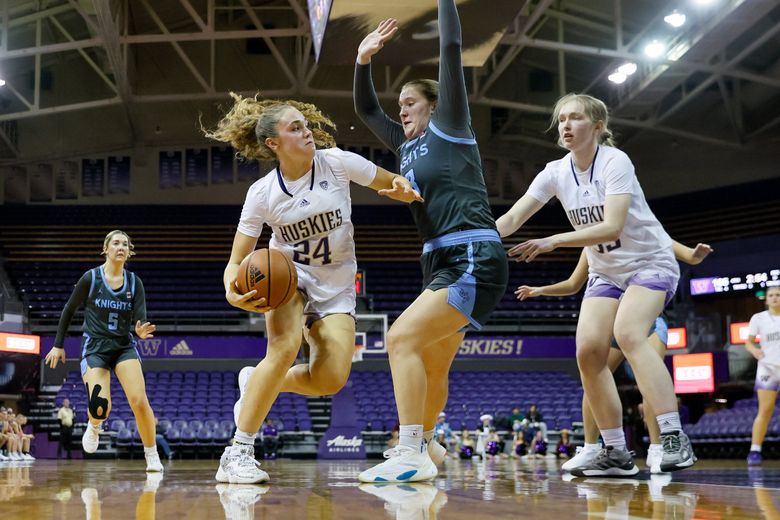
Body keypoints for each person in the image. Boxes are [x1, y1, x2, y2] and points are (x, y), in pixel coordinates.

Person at [203, 94, 422, 485]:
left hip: (337, 286)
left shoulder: (337, 162)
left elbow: (390, 181)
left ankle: (256, 381)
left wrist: (403, 187)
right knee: (284, 349)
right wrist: (231, 291)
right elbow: (236, 262)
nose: (306, 132)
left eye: (304, 125)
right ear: (273, 144)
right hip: (290, 278)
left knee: (330, 379)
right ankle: (238, 451)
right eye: (295, 128)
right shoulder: (263, 194)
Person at [497, 93, 696, 477]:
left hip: (648, 262)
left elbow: (612, 226)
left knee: (629, 332)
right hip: (606, 271)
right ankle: (616, 452)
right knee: (588, 352)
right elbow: (512, 217)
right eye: (561, 120)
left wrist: (552, 241)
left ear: (598, 126)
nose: (566, 126)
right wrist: (474, 241)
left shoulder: (615, 161)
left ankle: (673, 438)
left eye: (575, 118)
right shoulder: (555, 171)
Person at [354, 1, 508, 483]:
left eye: (410, 102)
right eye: (399, 104)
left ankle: (410, 449)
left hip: (471, 253)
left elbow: (452, 47)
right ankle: (428, 448)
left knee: (400, 338)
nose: (401, 109)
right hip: (439, 258)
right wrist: (363, 60)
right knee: (433, 362)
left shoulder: (450, 125)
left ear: (435, 105)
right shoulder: (403, 145)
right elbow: (365, 109)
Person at [517, 242, 712, 473]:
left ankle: (658, 448)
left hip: (647, 321)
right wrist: (540, 290)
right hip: (610, 323)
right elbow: (572, 284)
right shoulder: (591, 245)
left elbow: (682, 252)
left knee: (647, 379)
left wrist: (694, 254)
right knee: (594, 377)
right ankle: (590, 447)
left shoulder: (641, 230)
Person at [43, 230, 162, 473]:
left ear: (129, 252)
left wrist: (139, 331)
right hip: (95, 348)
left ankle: (151, 455)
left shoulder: (134, 282)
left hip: (123, 347)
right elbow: (68, 310)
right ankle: (95, 424)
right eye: (116, 243)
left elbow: (140, 319)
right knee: (100, 407)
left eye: (125, 244)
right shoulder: (91, 278)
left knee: (139, 401)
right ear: (105, 249)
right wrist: (58, 344)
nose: (121, 247)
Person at [745, 286, 780, 465]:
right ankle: (755, 450)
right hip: (768, 368)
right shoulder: (758, 318)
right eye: (771, 295)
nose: (775, 298)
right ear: (766, 299)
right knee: (765, 410)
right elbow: (748, 342)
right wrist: (754, 351)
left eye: (778, 295)